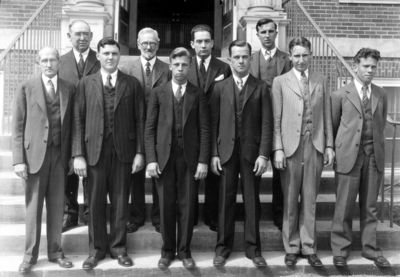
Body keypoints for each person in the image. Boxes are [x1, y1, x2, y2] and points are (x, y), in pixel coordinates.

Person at [72, 38, 145, 270]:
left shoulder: (132, 84)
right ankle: (95, 250)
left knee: (121, 201)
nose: (111, 57)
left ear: (120, 56)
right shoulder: (85, 83)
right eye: (106, 54)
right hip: (94, 152)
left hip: (124, 151)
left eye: (114, 53)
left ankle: (119, 248)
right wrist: (78, 155)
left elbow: (140, 121)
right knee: (94, 203)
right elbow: (78, 120)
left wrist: (140, 153)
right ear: (99, 55)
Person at [145, 47, 210, 270]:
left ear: (189, 66)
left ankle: (184, 251)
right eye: (177, 65)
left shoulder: (197, 93)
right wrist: (151, 159)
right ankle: (166, 252)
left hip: (189, 159)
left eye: (184, 65)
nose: (180, 69)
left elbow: (205, 130)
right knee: (165, 205)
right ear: (170, 66)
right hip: (163, 158)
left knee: (187, 205)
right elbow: (150, 129)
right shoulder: (158, 92)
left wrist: (203, 160)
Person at [271, 37, 334, 267]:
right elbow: (276, 119)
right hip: (290, 146)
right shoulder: (280, 82)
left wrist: (328, 145)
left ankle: (308, 247)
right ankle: (291, 247)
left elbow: (327, 115)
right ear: (290, 57)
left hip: (315, 144)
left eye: (305, 55)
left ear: (311, 55)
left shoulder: (321, 80)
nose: (301, 60)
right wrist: (277, 148)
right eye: (296, 56)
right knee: (290, 199)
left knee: (310, 199)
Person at [12, 46, 75, 273]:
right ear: (38, 63)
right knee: (33, 209)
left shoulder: (69, 88)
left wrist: (73, 156)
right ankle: (29, 256)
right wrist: (18, 160)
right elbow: (17, 126)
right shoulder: (25, 88)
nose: (49, 64)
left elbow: (74, 125)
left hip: (60, 155)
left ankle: (56, 251)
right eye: (44, 60)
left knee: (58, 207)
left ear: (59, 62)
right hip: (33, 157)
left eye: (53, 60)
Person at [210, 40, 272, 268]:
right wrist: (214, 154)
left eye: (245, 57)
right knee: (225, 202)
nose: (240, 61)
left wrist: (264, 154)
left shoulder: (261, 87)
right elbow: (213, 123)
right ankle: (222, 249)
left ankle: (253, 249)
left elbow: (267, 123)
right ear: (229, 60)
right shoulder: (220, 88)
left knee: (251, 202)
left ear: (250, 58)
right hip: (225, 153)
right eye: (236, 57)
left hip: (251, 154)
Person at [330, 48, 390, 268]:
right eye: (366, 66)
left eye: (374, 66)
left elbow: (380, 124)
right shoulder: (339, 95)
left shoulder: (381, 94)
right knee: (344, 206)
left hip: (373, 156)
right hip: (348, 156)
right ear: (355, 66)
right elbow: (335, 126)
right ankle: (340, 250)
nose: (370, 70)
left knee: (370, 206)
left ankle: (369, 248)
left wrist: (372, 147)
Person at [119, 27, 171, 234]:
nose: (148, 47)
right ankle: (137, 216)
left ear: (158, 45)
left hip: (159, 129)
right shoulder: (126, 68)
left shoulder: (167, 69)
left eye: (152, 43)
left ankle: (158, 217)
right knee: (136, 174)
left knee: (159, 172)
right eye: (144, 43)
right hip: (134, 126)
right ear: (138, 44)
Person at [188, 24, 231, 232]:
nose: (203, 45)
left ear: (213, 43)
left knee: (214, 175)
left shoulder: (223, 68)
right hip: (191, 128)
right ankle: (192, 215)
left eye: (207, 41)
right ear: (192, 44)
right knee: (191, 174)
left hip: (215, 126)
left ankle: (212, 216)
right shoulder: (184, 66)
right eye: (199, 41)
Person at [58, 20, 101, 233]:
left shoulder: (101, 59)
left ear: (91, 36)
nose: (82, 38)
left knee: (92, 169)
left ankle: (90, 213)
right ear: (69, 36)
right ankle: (70, 214)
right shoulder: (59, 62)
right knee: (68, 170)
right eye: (77, 34)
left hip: (93, 123)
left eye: (86, 34)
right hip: (66, 125)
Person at [250, 18, 291, 231]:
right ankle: (253, 214)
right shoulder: (249, 58)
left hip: (281, 118)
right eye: (263, 32)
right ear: (257, 34)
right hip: (255, 121)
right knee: (253, 168)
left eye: (270, 31)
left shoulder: (287, 59)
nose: (267, 35)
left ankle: (278, 214)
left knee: (279, 168)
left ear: (276, 33)